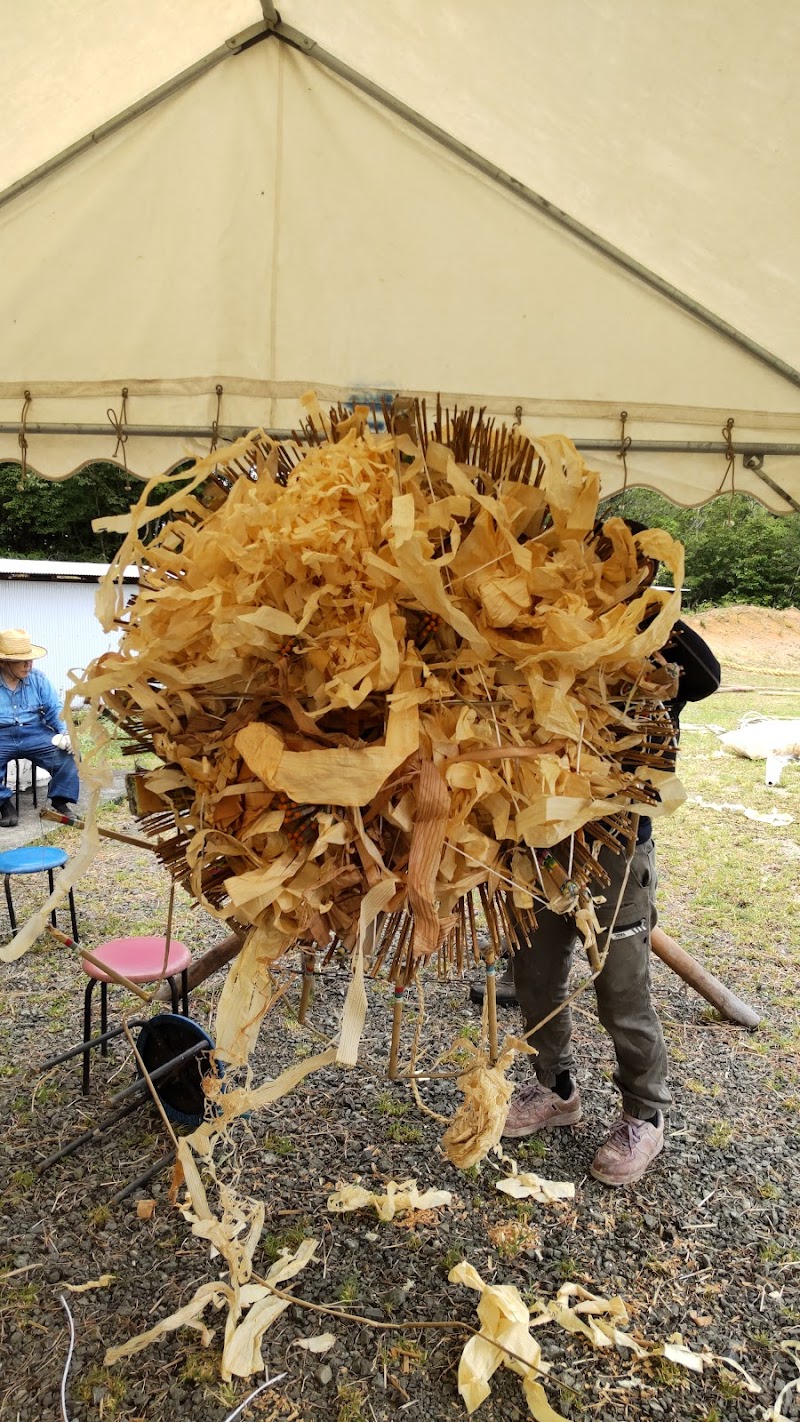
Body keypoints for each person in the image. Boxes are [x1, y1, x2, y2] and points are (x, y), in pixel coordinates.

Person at [502, 618, 721, 1186]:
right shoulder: (545, 633)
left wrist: (644, 612)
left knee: (621, 992)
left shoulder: (652, 650)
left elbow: (707, 678)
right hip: (539, 846)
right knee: (534, 979)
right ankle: (555, 1089)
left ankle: (645, 1115)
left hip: (618, 850)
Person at [0, 628, 80, 828]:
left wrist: (65, 733)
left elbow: (55, 709)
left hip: (34, 731)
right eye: (21, 661)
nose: (28, 665)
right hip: (2, 734)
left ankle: (59, 800)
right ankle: (3, 802)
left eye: (30, 660)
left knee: (69, 755)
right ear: (3, 662)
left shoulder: (38, 679)